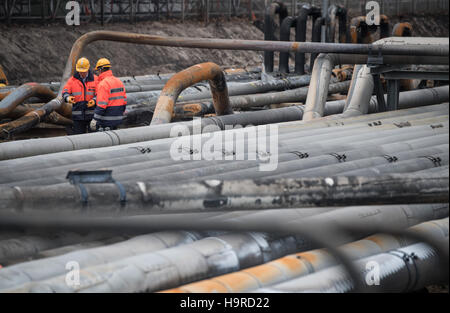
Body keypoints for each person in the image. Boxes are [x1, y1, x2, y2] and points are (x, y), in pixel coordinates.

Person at [62, 57, 97, 134]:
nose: (82, 73)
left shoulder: (95, 79)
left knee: (94, 137)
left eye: (83, 71)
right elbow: (65, 91)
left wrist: (94, 100)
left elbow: (100, 94)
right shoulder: (72, 80)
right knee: (79, 138)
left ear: (88, 69)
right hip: (78, 116)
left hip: (91, 115)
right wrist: (67, 98)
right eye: (80, 71)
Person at [90, 58, 127, 132]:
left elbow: (101, 105)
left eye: (98, 71)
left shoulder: (103, 84)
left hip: (107, 120)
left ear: (101, 70)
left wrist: (95, 120)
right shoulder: (119, 81)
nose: (98, 73)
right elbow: (124, 101)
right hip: (118, 119)